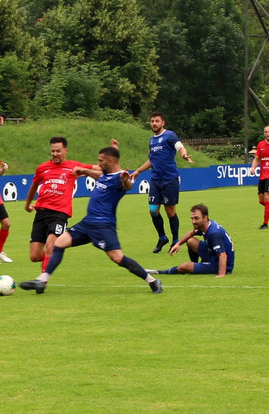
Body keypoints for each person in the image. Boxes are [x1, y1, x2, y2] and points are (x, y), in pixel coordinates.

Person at [19, 145, 162, 295]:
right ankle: (42, 280)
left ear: (111, 161)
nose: (98, 164)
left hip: (103, 226)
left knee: (117, 257)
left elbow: (127, 186)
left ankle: (152, 280)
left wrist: (126, 181)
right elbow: (98, 175)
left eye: (101, 161)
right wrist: (84, 171)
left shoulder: (119, 177)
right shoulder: (105, 175)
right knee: (59, 243)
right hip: (87, 223)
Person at [23, 136, 103, 273]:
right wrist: (27, 204)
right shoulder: (42, 168)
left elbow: (99, 169)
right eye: (52, 151)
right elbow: (33, 187)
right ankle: (53, 256)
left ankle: (41, 281)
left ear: (65, 150)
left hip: (59, 214)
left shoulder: (73, 166)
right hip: (41, 212)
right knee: (34, 256)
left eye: (58, 151)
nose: (55, 154)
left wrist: (111, 159)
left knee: (50, 246)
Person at [130, 111, 194, 253]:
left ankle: (175, 240)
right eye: (152, 121)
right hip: (156, 180)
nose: (154, 123)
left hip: (169, 179)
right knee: (153, 210)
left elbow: (179, 146)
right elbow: (151, 160)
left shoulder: (169, 135)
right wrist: (138, 171)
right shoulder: (152, 140)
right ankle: (162, 237)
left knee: (170, 210)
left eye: (157, 121)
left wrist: (183, 154)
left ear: (162, 122)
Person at [149, 204, 234, 277]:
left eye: (196, 218)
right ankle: (196, 266)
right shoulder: (207, 224)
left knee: (184, 266)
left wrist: (221, 275)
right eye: (192, 218)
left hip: (220, 264)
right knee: (190, 241)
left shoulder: (213, 233)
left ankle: (163, 272)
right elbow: (191, 233)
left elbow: (223, 255)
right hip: (212, 254)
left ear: (205, 218)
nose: (193, 221)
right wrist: (178, 244)